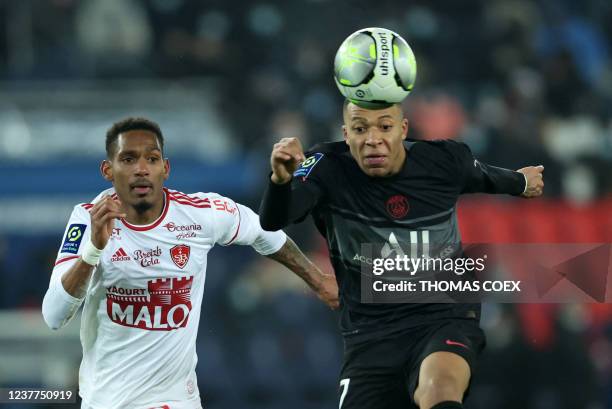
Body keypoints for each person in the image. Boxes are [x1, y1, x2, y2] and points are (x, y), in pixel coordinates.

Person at [259, 100, 544, 409]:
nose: (373, 139)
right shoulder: (327, 166)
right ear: (346, 134)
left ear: (403, 129)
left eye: (385, 127)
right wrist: (280, 180)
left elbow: (491, 177)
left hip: (442, 316)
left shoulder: (443, 160)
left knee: (439, 388)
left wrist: (523, 181)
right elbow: (274, 220)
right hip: (370, 335)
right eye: (359, 129)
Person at [42, 117, 338, 409]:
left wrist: (319, 280)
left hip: (174, 400)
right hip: (106, 401)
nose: (141, 170)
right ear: (108, 170)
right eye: (128, 160)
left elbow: (263, 231)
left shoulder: (199, 214)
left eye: (152, 159)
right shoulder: (87, 219)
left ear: (165, 168)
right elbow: (54, 315)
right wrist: (94, 249)